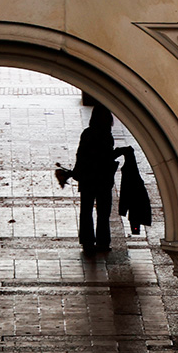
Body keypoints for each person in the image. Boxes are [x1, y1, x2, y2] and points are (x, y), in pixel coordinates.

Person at [61, 105, 128, 254]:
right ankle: (103, 243)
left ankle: (87, 242)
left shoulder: (87, 133)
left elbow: (81, 155)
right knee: (103, 213)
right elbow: (106, 157)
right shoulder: (106, 135)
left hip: (88, 179)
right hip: (103, 180)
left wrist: (76, 172)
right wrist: (121, 152)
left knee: (86, 211)